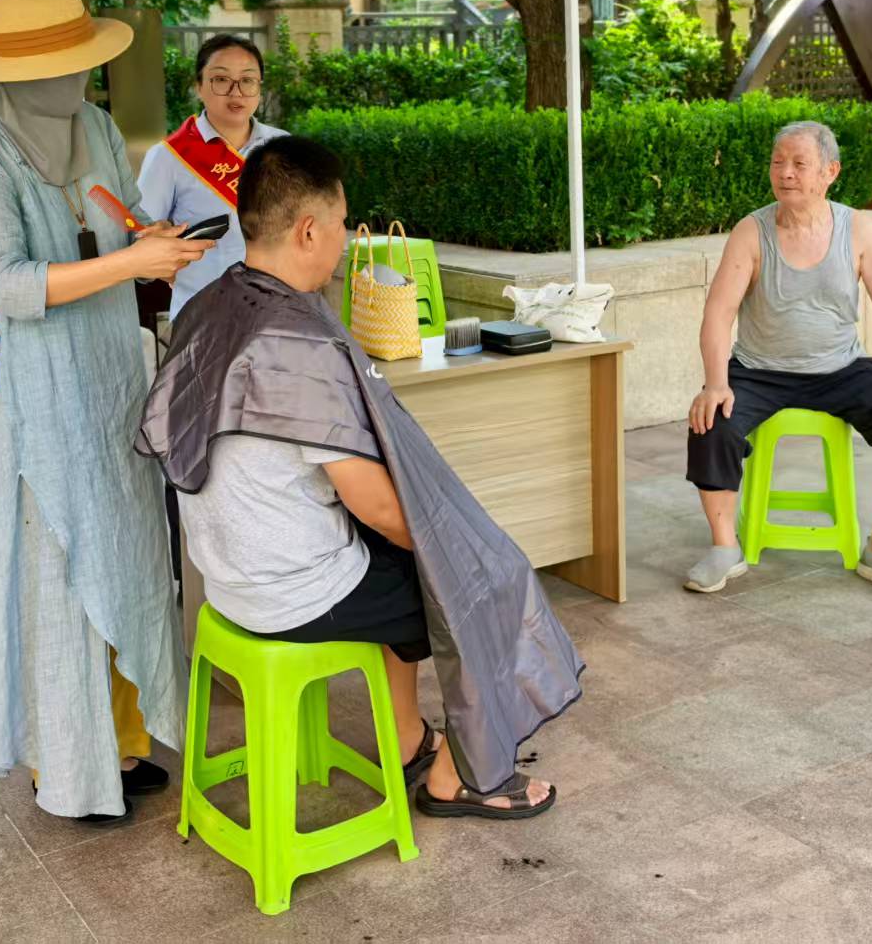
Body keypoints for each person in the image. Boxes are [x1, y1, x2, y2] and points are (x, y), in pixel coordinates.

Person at [139, 136, 584, 820]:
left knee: (399, 561)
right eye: (342, 223)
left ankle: (405, 738)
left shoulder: (210, 305)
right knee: (479, 582)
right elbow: (372, 501)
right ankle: (461, 775)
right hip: (288, 588)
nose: (345, 240)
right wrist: (452, 549)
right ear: (308, 230)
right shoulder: (295, 341)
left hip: (223, 573)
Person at [0, 0, 213, 822]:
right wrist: (132, 261)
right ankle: (63, 763)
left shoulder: (92, 124)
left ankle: (124, 742)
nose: (78, 81)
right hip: (32, 396)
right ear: (16, 74)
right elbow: (9, 283)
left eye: (81, 63)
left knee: (127, 558)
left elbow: (114, 212)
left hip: (108, 374)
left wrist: (145, 233)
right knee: (56, 571)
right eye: (62, 68)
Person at [684, 121, 872, 599]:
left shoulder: (857, 229)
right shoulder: (752, 231)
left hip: (841, 369)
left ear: (830, 172)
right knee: (710, 423)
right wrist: (716, 383)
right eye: (778, 162)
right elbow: (718, 312)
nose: (785, 173)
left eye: (799, 164)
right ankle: (724, 546)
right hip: (759, 370)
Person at [136, 34, 287, 318]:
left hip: (276, 310)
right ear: (198, 87)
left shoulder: (284, 147)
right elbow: (140, 245)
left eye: (247, 80)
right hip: (204, 316)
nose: (236, 92)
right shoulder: (168, 157)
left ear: (259, 87)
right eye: (221, 79)